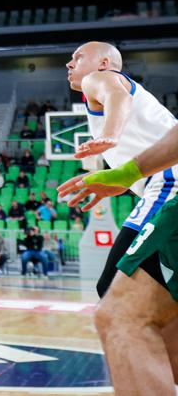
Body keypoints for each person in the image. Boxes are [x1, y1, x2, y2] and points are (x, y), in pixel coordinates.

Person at [58, 120, 178, 392]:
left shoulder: (102, 81)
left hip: (168, 193)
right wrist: (126, 175)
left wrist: (124, 168)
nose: (69, 73)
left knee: (118, 314)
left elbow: (115, 95)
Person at [65, 41, 178, 297]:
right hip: (162, 184)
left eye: (78, 57)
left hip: (169, 184)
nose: (69, 64)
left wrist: (109, 134)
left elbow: (119, 97)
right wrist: (122, 183)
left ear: (104, 64)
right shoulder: (111, 92)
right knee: (155, 288)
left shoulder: (98, 79)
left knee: (115, 287)